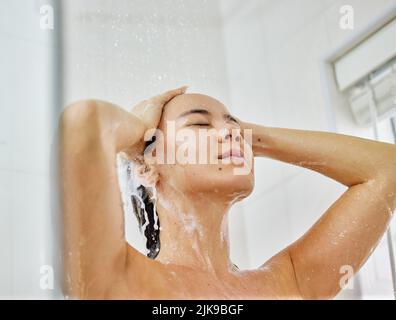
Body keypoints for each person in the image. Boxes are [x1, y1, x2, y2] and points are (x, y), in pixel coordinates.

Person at [59, 86, 396, 299]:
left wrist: (251, 137)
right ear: (148, 166)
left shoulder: (288, 283)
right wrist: (141, 133)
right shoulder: (119, 280)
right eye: (200, 124)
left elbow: (387, 169)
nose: (231, 133)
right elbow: (84, 124)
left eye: (235, 125)